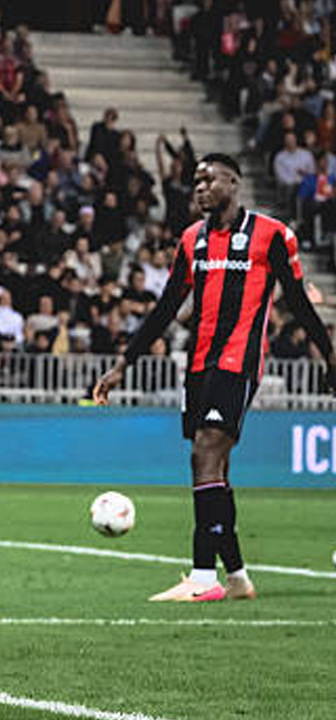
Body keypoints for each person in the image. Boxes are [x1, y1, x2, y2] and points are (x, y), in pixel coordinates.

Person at [93, 153, 336, 603]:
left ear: (234, 182)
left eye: (209, 179)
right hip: (200, 365)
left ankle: (203, 577)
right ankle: (238, 577)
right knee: (215, 468)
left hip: (239, 362)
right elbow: (166, 307)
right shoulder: (191, 240)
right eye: (196, 182)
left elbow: (299, 303)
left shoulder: (272, 235)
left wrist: (330, 356)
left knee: (205, 453)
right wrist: (125, 362)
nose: (200, 187)